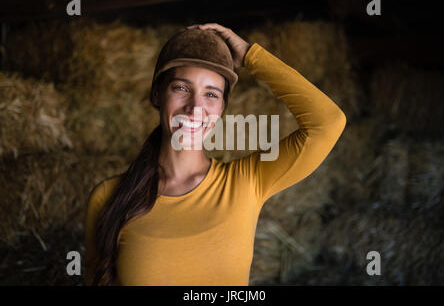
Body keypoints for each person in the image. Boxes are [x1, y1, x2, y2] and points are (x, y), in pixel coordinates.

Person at [84, 23, 347, 286]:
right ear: (157, 94)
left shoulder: (247, 181)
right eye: (181, 88)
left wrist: (249, 56)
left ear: (222, 108)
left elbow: (327, 123)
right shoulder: (108, 197)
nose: (195, 106)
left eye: (211, 94)